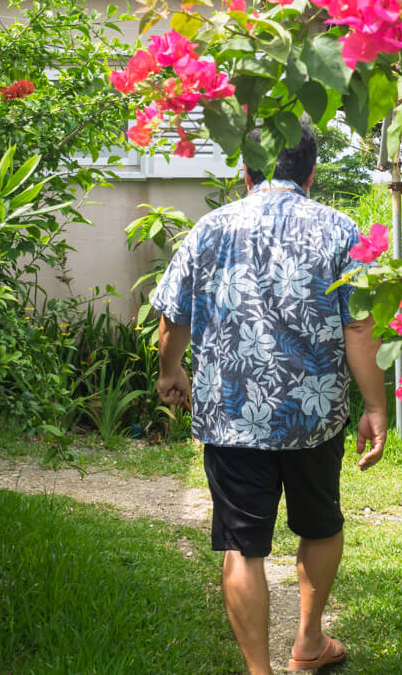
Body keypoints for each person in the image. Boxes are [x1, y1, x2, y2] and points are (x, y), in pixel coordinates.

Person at [152, 121, 388, 675]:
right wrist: (375, 406)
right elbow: (360, 329)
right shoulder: (340, 230)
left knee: (243, 545)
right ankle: (308, 644)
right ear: (312, 172)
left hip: (231, 416)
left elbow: (173, 318)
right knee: (321, 524)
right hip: (314, 414)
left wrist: (171, 372)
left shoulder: (210, 229)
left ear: (245, 169)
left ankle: (258, 672)